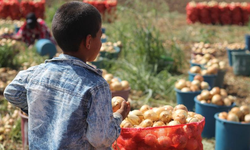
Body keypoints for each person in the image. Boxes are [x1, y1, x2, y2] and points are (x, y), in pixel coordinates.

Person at [4, 1, 130, 150]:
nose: (101, 43)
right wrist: (119, 116)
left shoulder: (37, 72)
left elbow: (11, 91)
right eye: (100, 37)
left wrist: (45, 108)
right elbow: (100, 139)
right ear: (89, 41)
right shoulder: (96, 85)